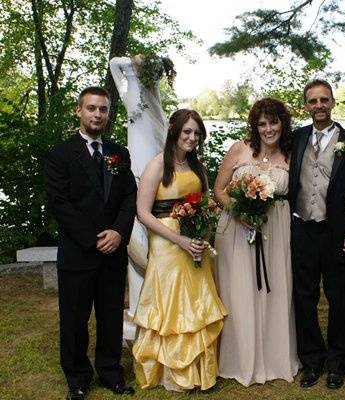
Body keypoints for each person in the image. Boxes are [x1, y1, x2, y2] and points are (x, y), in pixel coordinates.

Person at [44, 86, 137, 400]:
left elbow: (128, 197)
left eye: (103, 109)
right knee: (74, 318)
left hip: (113, 251)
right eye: (92, 108)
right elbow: (60, 203)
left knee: (111, 315)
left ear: (109, 113)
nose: (98, 114)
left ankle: (111, 373)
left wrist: (118, 233)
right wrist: (94, 238)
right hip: (78, 252)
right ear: (79, 111)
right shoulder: (60, 154)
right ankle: (77, 378)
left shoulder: (118, 153)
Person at [132, 109, 227, 392]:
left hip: (195, 242)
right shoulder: (157, 165)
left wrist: (202, 237)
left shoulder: (197, 168)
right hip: (166, 243)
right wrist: (179, 239)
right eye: (187, 131)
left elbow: (208, 204)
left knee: (196, 303)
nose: (192, 137)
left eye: (197, 133)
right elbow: (142, 212)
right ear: (174, 131)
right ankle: (170, 372)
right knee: (170, 303)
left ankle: (200, 371)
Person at [288, 79, 345, 389]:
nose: (319, 105)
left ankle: (338, 362)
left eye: (324, 100)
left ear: (334, 102)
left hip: (338, 233)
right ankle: (312, 360)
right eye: (313, 101)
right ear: (306, 106)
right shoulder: (294, 140)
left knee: (340, 299)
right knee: (304, 298)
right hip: (301, 230)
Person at [213, 97, 300, 386]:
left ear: (282, 123)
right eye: (261, 123)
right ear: (255, 126)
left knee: (274, 290)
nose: (267, 129)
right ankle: (239, 357)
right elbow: (219, 189)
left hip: (275, 228)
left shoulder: (292, 154)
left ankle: (274, 357)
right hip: (236, 230)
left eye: (273, 122)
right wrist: (239, 212)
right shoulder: (239, 149)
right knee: (237, 292)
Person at [109, 54, 168, 341]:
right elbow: (114, 62)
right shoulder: (133, 143)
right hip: (142, 218)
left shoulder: (162, 155)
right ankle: (140, 311)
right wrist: (133, 64)